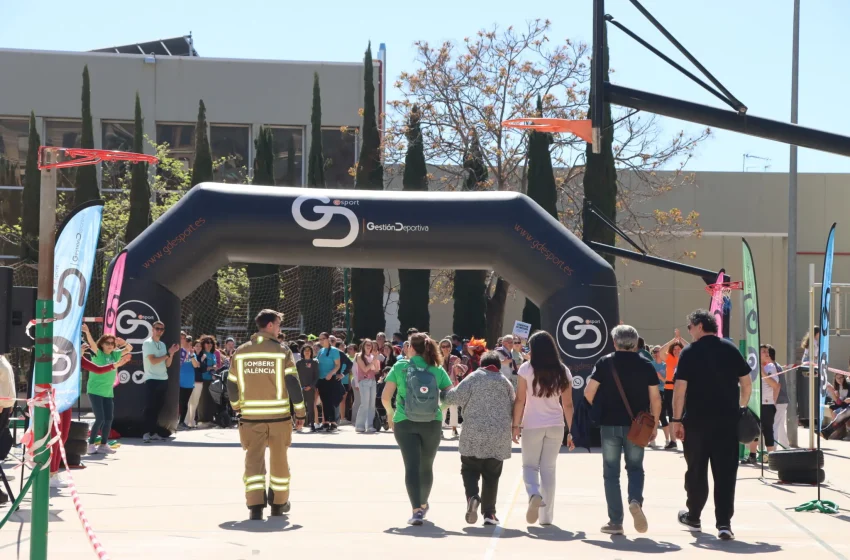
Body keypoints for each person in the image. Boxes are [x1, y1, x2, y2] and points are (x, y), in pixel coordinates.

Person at [673, 309, 752, 541]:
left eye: (689, 327)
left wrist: (676, 420)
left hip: (696, 423)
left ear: (698, 326)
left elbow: (680, 390)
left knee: (696, 471)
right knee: (726, 473)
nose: (690, 331)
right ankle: (724, 523)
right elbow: (746, 383)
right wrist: (741, 408)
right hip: (727, 423)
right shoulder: (729, 348)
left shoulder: (689, 352)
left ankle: (694, 516)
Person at [227, 309, 306, 520]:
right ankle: (279, 504)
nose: (280, 328)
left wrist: (236, 406)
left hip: (250, 419)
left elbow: (231, 384)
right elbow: (292, 383)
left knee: (253, 461)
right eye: (279, 324)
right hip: (278, 418)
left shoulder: (241, 352)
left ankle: (255, 506)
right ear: (270, 326)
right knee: (279, 461)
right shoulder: (282, 351)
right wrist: (300, 411)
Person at [585, 325, 661, 535]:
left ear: (614, 342)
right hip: (637, 426)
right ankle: (635, 500)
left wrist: (596, 411)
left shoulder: (605, 362)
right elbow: (655, 398)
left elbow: (589, 392)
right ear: (636, 343)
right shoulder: (646, 365)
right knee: (635, 467)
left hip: (609, 425)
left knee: (611, 473)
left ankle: (615, 521)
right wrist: (654, 425)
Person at [382, 333, 453, 526]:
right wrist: (440, 410)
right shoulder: (437, 369)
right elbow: (450, 396)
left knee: (411, 466)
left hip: (404, 421)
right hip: (432, 422)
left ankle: (416, 511)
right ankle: (423, 503)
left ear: (411, 348)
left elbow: (385, 397)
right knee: (426, 465)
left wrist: (390, 414)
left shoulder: (399, 367)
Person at [444, 351, 514, 526]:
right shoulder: (505, 382)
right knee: (492, 474)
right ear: (498, 366)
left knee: (469, 469)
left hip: (473, 433)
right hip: (498, 436)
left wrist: (441, 391)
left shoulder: (473, 377)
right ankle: (489, 514)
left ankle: (473, 497)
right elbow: (514, 406)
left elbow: (453, 397)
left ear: (481, 364)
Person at [512, 330, 574, 526]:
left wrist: (515, 425)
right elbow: (568, 404)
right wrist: (572, 430)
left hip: (532, 424)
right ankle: (546, 517)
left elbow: (520, 399)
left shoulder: (526, 369)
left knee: (529, 466)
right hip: (556, 425)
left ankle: (533, 494)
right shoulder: (563, 370)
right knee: (549, 469)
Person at [82, 325, 132, 453]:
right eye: (107, 343)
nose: (110, 345)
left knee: (109, 418)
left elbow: (130, 348)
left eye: (112, 343)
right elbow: (92, 344)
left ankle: (103, 445)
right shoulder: (97, 354)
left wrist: (123, 342)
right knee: (100, 418)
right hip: (95, 390)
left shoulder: (115, 354)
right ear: (102, 344)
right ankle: (90, 444)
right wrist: (87, 332)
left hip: (108, 392)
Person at [142, 321, 179, 443]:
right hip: (152, 379)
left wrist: (172, 354)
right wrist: (168, 353)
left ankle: (153, 432)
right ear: (152, 329)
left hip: (163, 379)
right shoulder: (148, 343)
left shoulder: (162, 344)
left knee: (158, 408)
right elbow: (153, 361)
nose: (159, 331)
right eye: (157, 329)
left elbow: (167, 364)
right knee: (150, 407)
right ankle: (146, 433)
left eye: (161, 329)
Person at [745, 344, 781, 463]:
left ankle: (772, 458)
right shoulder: (752, 367)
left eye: (767, 351)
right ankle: (752, 455)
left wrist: (763, 373)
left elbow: (775, 385)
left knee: (768, 430)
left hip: (767, 404)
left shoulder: (771, 367)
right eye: (763, 352)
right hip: (754, 403)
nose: (767, 353)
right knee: (754, 429)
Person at [659, 330, 685, 450]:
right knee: (670, 414)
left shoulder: (686, 359)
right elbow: (660, 351)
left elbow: (690, 347)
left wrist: (681, 339)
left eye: (679, 349)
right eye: (674, 349)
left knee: (684, 414)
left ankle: (685, 438)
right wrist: (673, 340)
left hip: (682, 389)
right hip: (669, 388)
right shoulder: (669, 359)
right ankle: (673, 440)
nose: (676, 351)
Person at [440, 338, 467, 439]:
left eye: (448, 346)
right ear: (440, 348)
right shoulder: (438, 359)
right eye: (443, 346)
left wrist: (458, 368)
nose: (446, 348)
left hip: (453, 385)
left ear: (451, 348)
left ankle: (454, 429)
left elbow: (459, 372)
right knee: (442, 408)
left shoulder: (455, 358)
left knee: (454, 408)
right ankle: (440, 428)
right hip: (441, 386)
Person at [316, 332, 342, 431]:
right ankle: (326, 422)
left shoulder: (335, 351)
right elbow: (317, 362)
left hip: (331, 379)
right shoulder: (321, 351)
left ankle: (333, 422)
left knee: (331, 400)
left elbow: (337, 365)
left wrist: (331, 373)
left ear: (328, 339)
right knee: (324, 401)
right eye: (320, 339)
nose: (321, 341)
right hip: (321, 379)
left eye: (323, 339)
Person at [354, 339, 381, 433]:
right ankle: (359, 425)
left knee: (371, 404)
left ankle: (370, 425)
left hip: (373, 381)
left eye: (370, 345)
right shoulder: (359, 356)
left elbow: (377, 370)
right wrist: (373, 361)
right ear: (363, 346)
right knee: (364, 403)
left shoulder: (373, 356)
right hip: (364, 381)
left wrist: (375, 360)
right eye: (367, 345)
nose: (369, 346)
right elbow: (365, 369)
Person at [769, 346, 790, 447]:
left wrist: (773, 401)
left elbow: (776, 386)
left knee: (775, 425)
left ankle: (773, 450)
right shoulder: (776, 366)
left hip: (779, 400)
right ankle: (786, 447)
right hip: (781, 400)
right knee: (780, 425)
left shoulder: (773, 367)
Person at [821, 370, 850, 440]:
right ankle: (829, 432)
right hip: (845, 406)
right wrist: (832, 392)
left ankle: (828, 432)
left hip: (846, 406)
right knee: (840, 414)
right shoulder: (837, 387)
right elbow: (838, 402)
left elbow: (841, 402)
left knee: (843, 414)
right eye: (838, 378)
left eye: (841, 378)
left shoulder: (848, 386)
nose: (840, 380)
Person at [297, 345, 319, 432]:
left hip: (311, 388)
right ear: (302, 352)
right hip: (300, 388)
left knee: (310, 407)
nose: (307, 352)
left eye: (309, 350)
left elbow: (316, 376)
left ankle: (312, 424)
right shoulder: (299, 363)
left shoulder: (314, 363)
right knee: (300, 407)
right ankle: (299, 424)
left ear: (311, 352)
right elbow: (296, 376)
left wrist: (311, 386)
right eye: (305, 350)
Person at [650, 346, 669, 447]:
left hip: (662, 392)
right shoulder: (650, 365)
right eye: (654, 351)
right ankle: (652, 440)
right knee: (651, 416)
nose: (656, 353)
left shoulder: (666, 366)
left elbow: (668, 381)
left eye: (658, 351)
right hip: (652, 392)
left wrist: (660, 377)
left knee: (662, 416)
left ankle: (668, 440)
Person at [177, 333, 195, 430]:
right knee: (178, 403)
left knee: (184, 403)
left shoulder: (191, 354)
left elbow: (196, 365)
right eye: (184, 339)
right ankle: (175, 422)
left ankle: (181, 422)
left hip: (189, 383)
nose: (186, 342)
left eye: (186, 340)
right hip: (177, 382)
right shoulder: (177, 350)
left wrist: (191, 355)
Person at [186, 340, 205, 428]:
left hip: (198, 382)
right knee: (188, 401)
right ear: (193, 347)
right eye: (196, 346)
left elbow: (202, 369)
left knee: (195, 402)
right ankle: (186, 421)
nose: (198, 348)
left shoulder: (203, 356)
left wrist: (201, 361)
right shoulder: (189, 355)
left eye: (200, 346)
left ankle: (191, 421)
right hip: (189, 381)